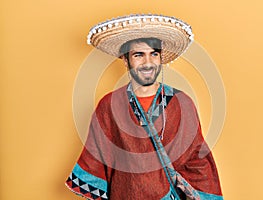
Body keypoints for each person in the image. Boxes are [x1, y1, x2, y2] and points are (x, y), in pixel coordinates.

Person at [66, 14, 223, 200]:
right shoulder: (109, 105)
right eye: (139, 55)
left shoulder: (182, 103)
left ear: (160, 58)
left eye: (154, 54)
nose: (147, 63)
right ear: (126, 60)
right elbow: (96, 157)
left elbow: (197, 159)